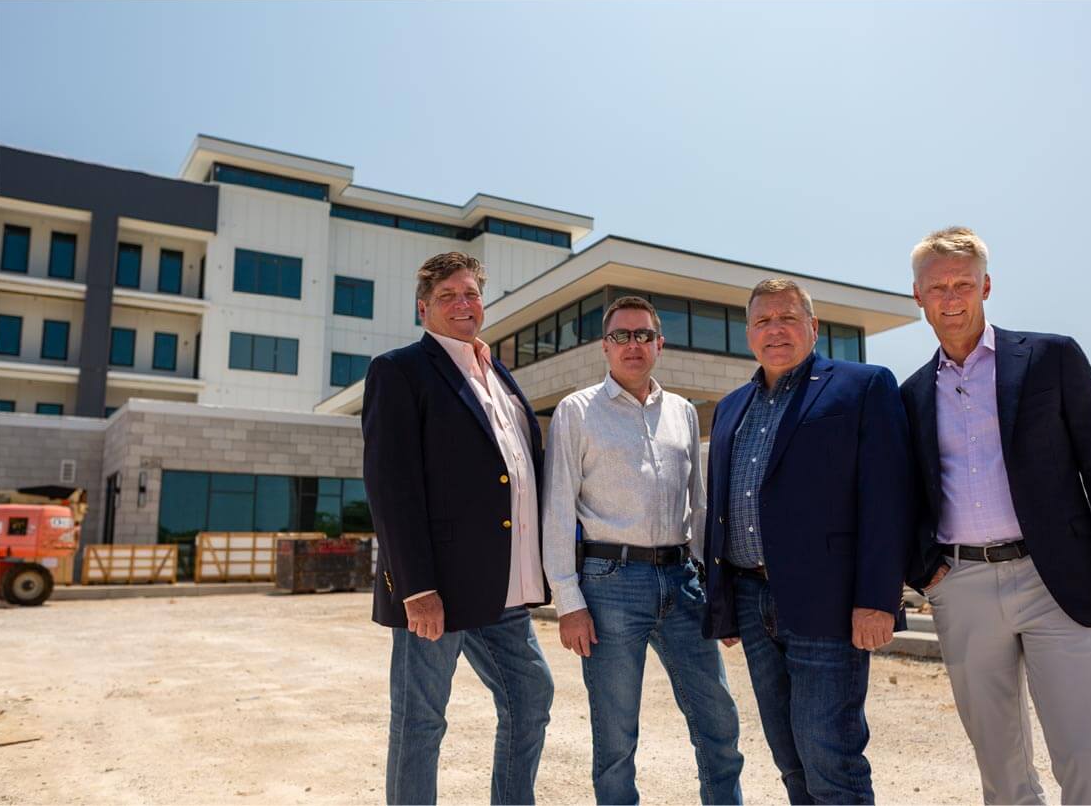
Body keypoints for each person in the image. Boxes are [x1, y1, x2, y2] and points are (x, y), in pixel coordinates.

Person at [901, 226, 1091, 805]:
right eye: (938, 287)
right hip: (960, 586)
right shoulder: (910, 393)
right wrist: (924, 571)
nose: (952, 297)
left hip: (1055, 576)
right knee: (1000, 764)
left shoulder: (1051, 357)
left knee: (1088, 755)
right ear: (918, 297)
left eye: (964, 283)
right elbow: (905, 493)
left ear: (986, 285)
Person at [700, 278, 914, 805]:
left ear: (813, 327)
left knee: (829, 755)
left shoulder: (862, 387)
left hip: (831, 604)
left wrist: (878, 599)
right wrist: (724, 604)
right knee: (788, 756)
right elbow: (721, 508)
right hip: (752, 602)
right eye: (763, 321)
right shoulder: (731, 408)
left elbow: (888, 500)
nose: (776, 330)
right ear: (748, 333)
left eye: (788, 318)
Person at [362, 251, 554, 805]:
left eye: (470, 293)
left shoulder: (498, 375)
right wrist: (416, 589)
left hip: (503, 588)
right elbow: (390, 485)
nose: (463, 304)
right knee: (421, 720)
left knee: (530, 694)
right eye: (448, 296)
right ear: (424, 309)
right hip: (437, 591)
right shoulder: (399, 370)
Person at [541, 295, 744, 805]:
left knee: (718, 723)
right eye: (621, 336)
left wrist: (717, 592)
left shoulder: (682, 413)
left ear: (659, 343)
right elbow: (558, 511)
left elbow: (697, 509)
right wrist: (568, 602)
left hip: (684, 583)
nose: (633, 345)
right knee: (615, 739)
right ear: (604, 347)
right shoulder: (576, 411)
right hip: (609, 586)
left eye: (643, 335)